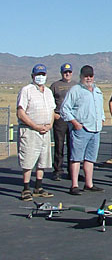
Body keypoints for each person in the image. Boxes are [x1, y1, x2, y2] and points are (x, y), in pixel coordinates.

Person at [61, 65, 105, 195]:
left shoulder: (98, 90)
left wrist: (102, 118)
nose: (88, 78)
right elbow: (65, 109)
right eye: (86, 76)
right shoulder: (75, 90)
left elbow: (100, 107)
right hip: (81, 129)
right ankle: (74, 185)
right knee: (76, 158)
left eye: (90, 76)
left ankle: (89, 184)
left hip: (95, 129)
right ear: (81, 76)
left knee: (90, 159)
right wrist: (74, 123)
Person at [16, 64, 55, 201]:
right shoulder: (26, 90)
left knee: (42, 160)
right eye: (38, 75)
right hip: (30, 130)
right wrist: (35, 126)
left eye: (43, 74)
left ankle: (38, 187)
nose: (40, 77)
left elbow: (51, 110)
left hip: (45, 131)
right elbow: (21, 112)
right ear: (32, 76)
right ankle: (26, 188)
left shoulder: (48, 92)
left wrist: (50, 124)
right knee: (28, 159)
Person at [49, 63, 77, 181]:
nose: (67, 74)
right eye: (65, 72)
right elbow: (49, 102)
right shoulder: (55, 85)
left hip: (72, 119)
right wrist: (53, 114)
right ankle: (58, 170)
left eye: (69, 72)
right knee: (59, 145)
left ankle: (72, 172)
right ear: (61, 73)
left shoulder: (77, 85)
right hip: (60, 118)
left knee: (73, 146)